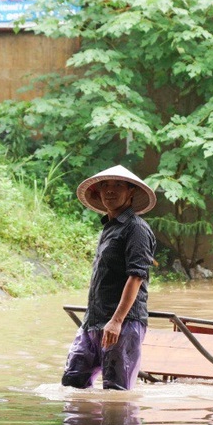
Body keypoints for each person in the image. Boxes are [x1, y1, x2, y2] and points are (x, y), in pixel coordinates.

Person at [61, 165, 157, 390]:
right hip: (94, 321)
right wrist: (93, 322)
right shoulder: (109, 227)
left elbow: (136, 276)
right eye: (105, 185)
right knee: (72, 383)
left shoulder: (136, 229)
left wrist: (116, 321)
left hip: (123, 323)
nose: (110, 191)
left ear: (131, 191)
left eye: (118, 185)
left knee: (116, 391)